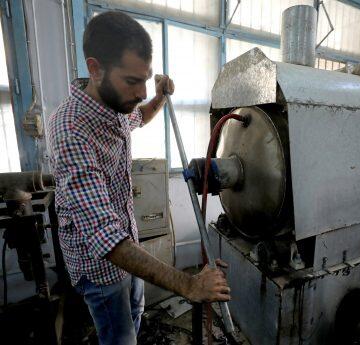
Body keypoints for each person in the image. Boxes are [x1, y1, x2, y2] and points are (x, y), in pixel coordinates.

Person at [47, 11, 230, 345]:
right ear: (94, 68)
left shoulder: (113, 106)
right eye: (133, 81)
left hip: (128, 247)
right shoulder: (72, 128)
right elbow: (104, 237)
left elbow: (138, 118)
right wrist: (188, 285)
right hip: (100, 266)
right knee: (119, 337)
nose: (141, 92)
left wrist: (160, 97)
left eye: (145, 79)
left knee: (134, 317)